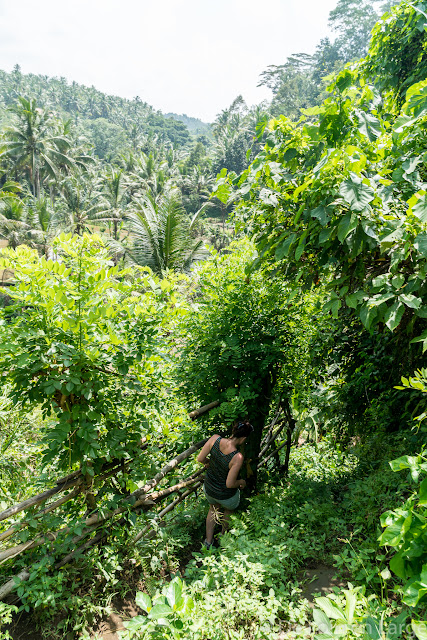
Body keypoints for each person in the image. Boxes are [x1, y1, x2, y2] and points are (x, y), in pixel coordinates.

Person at [197, 420, 254, 549]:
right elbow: (229, 484)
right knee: (228, 509)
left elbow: (200, 458)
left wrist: (209, 462)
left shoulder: (215, 439)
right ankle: (223, 538)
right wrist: (241, 482)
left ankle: (208, 541)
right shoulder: (237, 457)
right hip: (225, 495)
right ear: (244, 438)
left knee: (213, 509)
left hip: (209, 488)